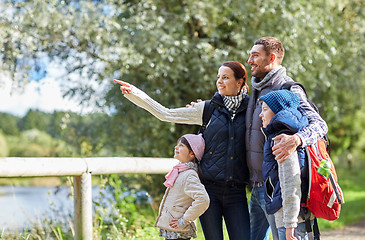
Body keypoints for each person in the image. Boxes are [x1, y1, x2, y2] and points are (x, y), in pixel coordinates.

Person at [114, 61, 251, 240]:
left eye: (225, 77)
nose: (220, 81)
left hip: (237, 191)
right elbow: (166, 114)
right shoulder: (207, 108)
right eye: (218, 77)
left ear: (240, 82)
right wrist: (135, 94)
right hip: (209, 189)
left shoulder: (252, 109)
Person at [246, 37, 328, 240]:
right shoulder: (256, 89)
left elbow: (319, 125)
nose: (249, 60)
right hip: (257, 187)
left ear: (272, 58)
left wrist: (297, 139)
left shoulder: (289, 89)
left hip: (281, 188)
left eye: (255, 55)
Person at [259, 90, 310, 240]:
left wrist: (289, 225)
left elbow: (290, 182)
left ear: (277, 111)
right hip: (295, 215)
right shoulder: (288, 133)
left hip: (290, 220)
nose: (261, 115)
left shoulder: (282, 139)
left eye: (265, 109)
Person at [155, 133, 210, 240]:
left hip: (179, 230)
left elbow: (203, 199)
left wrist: (184, 220)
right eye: (177, 144)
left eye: (181, 145)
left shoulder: (189, 175)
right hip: (173, 229)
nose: (176, 147)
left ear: (192, 153)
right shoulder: (180, 171)